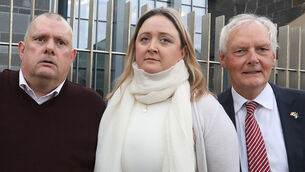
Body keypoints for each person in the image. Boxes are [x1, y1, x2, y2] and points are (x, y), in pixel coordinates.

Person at [94, 7, 239, 172]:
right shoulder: (117, 100)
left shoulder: (203, 106)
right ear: (135, 48)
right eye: (144, 39)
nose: (152, 47)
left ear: (182, 52)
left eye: (164, 40)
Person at [0, 13, 106, 172]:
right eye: (40, 39)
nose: (49, 48)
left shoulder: (93, 108)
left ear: (72, 57)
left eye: (61, 42)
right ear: (22, 50)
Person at [218, 13, 305, 172]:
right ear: (223, 58)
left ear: (273, 56)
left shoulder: (302, 105)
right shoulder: (210, 112)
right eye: (240, 51)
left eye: (262, 49)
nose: (253, 59)